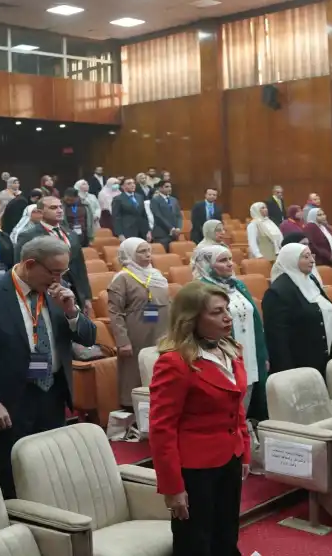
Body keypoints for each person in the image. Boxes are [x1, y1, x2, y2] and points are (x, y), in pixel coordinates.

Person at [0, 236, 98, 497]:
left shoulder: (58, 291)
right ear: (30, 264)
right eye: (54, 272)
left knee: (51, 465)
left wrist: (72, 312)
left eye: (63, 272)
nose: (58, 279)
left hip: (53, 393)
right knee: (11, 471)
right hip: (9, 399)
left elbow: (89, 338)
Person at [148, 281, 249, 555]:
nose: (227, 317)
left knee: (226, 535)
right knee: (195, 543)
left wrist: (244, 451)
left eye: (226, 309)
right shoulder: (174, 362)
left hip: (230, 456)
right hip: (195, 468)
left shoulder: (230, 349)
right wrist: (172, 487)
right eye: (216, 312)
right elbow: (162, 429)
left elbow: (236, 406)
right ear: (191, 318)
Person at [194, 245, 269, 420]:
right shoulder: (201, 290)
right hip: (222, 353)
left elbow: (255, 320)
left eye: (230, 259)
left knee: (251, 398)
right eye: (222, 260)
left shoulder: (238, 285)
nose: (230, 264)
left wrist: (263, 353)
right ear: (208, 265)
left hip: (249, 351)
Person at [107, 238, 171, 407]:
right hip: (136, 334)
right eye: (142, 251)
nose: (148, 254)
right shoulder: (122, 278)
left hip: (161, 330)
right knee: (135, 372)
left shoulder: (156, 275)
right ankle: (133, 408)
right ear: (129, 254)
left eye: (149, 250)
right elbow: (115, 312)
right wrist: (122, 341)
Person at [262, 243, 332, 378]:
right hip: (299, 367)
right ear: (291, 260)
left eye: (311, 256)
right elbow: (277, 339)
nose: (312, 261)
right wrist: (288, 373)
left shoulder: (311, 281)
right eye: (305, 257)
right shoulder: (278, 291)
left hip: (324, 360)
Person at [14, 195, 93, 309]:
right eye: (53, 208)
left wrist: (86, 297)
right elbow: (21, 267)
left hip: (74, 290)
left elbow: (80, 267)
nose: (59, 210)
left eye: (60, 207)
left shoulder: (71, 234)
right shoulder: (28, 236)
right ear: (40, 212)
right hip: (46, 292)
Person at [149, 180, 183, 250]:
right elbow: (158, 216)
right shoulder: (155, 200)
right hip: (161, 233)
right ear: (160, 188)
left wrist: (178, 228)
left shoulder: (174, 200)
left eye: (170, 187)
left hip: (174, 234)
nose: (169, 188)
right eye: (167, 187)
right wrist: (171, 228)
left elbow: (179, 215)